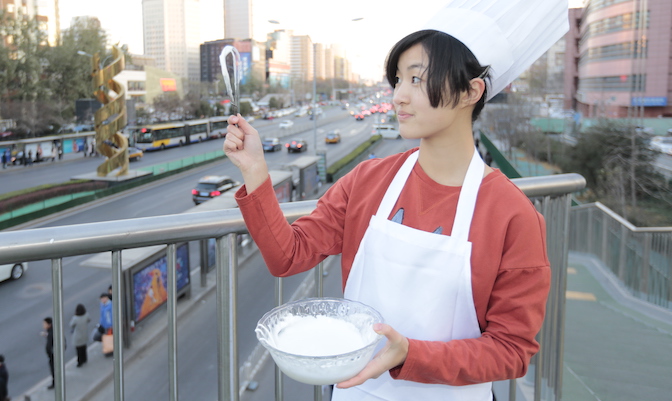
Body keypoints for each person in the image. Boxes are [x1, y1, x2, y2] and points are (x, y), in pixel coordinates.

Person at [222, 1, 566, 398]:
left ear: (472, 90)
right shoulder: (368, 181)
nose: (398, 96)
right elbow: (288, 255)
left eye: (417, 80)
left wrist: (410, 355)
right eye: (398, 80)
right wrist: (254, 171)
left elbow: (512, 351)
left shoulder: (513, 216)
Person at [41, 317, 55, 390]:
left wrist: (50, 353)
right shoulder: (51, 331)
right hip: (53, 355)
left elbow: (50, 345)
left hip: (53, 356)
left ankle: (55, 383)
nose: (43, 325)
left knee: (54, 369)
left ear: (49, 324)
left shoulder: (51, 333)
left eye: (44, 323)